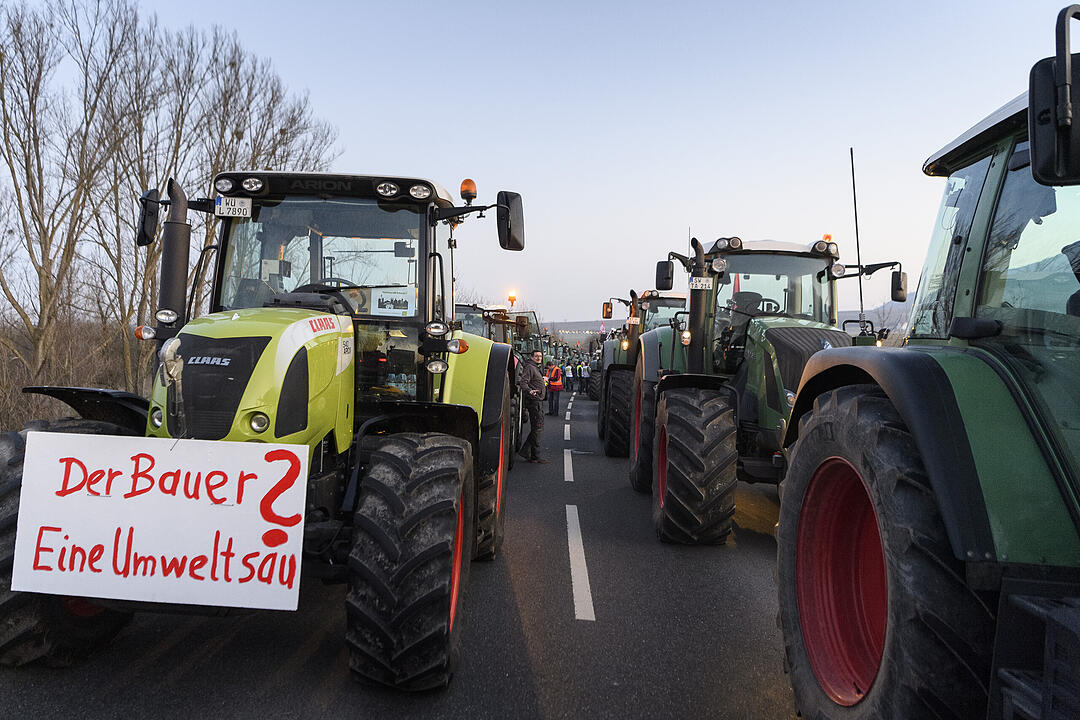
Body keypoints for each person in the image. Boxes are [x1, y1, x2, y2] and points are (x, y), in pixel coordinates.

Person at [517, 349, 547, 463]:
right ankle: (535, 456)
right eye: (536, 356)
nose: (539, 358)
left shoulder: (535, 368)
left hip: (537, 401)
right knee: (537, 428)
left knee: (537, 428)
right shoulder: (530, 367)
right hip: (534, 402)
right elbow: (523, 382)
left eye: (540, 356)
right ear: (532, 357)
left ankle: (526, 451)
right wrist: (530, 391)